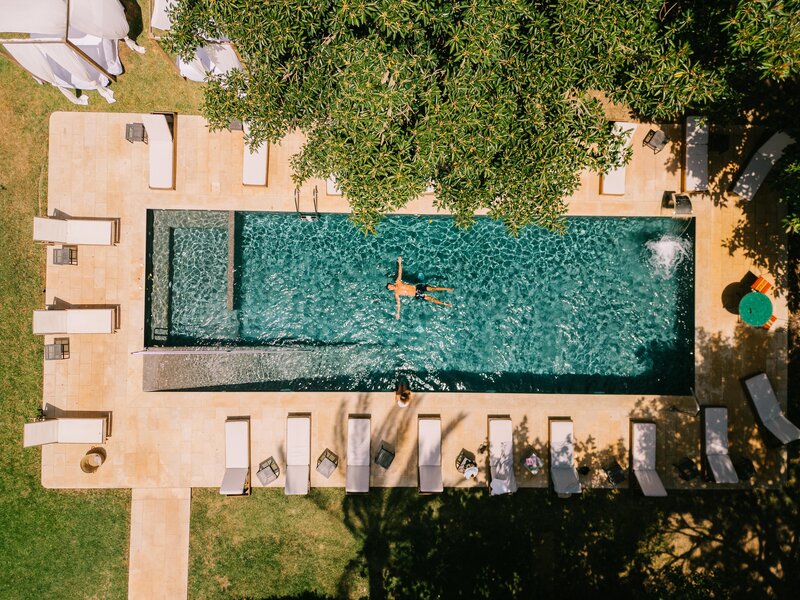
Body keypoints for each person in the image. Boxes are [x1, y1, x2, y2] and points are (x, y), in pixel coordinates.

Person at [386, 256, 453, 320]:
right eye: (390, 287)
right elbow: (398, 303)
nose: (391, 286)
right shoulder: (396, 293)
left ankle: (447, 289)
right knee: (431, 299)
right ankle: (445, 304)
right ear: (390, 289)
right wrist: (398, 313)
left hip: (417, 287)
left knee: (432, 289)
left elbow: (400, 272)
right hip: (417, 294)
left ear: (391, 284)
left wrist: (400, 262)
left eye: (390, 285)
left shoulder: (398, 282)